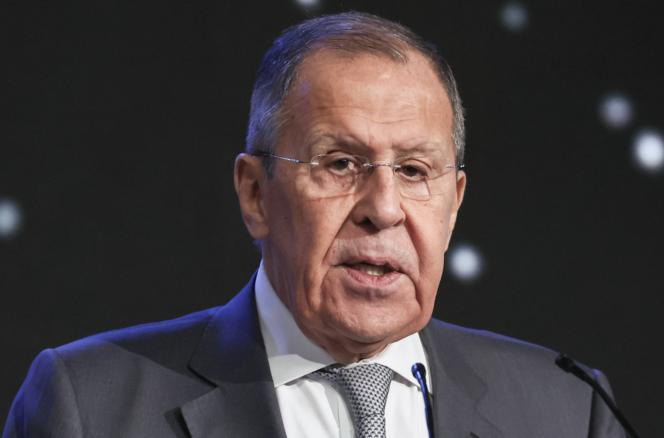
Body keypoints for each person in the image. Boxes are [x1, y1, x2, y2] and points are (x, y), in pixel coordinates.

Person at [3, 11, 626, 438]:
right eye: (341, 163)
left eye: (414, 170)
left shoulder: (568, 410)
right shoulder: (91, 407)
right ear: (255, 194)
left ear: (454, 202)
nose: (384, 208)